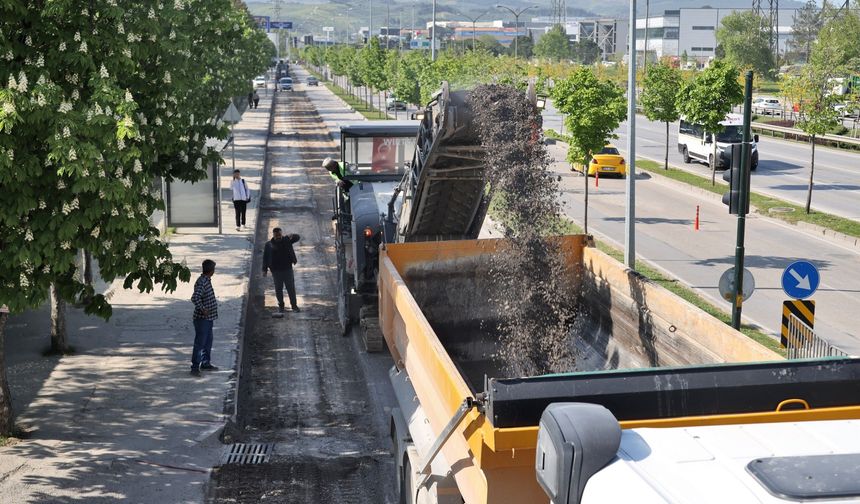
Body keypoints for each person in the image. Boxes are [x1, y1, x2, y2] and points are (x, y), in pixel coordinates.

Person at [190, 259, 218, 377]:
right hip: (202, 319)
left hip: (208, 318)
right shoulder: (202, 282)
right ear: (211, 270)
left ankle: (205, 363)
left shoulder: (206, 280)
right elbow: (195, 298)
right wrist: (203, 309)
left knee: (207, 342)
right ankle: (195, 367)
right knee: (200, 343)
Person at [263, 228, 301, 314]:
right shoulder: (268, 245)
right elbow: (265, 258)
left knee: (291, 288)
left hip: (287, 269)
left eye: (279, 235)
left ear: (282, 234)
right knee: (278, 289)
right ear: (273, 235)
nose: (278, 237)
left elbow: (297, 238)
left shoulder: (286, 240)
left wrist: (292, 235)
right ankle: (281, 306)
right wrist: (264, 270)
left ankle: (294, 306)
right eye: (276, 235)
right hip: (276, 271)